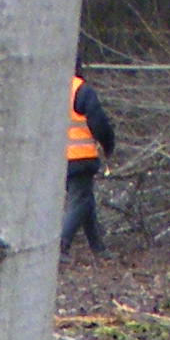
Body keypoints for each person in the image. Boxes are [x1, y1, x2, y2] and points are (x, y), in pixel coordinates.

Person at [61, 66, 115, 259]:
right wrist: (108, 146)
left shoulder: (51, 88)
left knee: (85, 200)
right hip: (80, 156)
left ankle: (98, 248)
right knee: (80, 201)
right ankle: (61, 245)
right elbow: (99, 123)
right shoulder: (80, 89)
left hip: (57, 158)